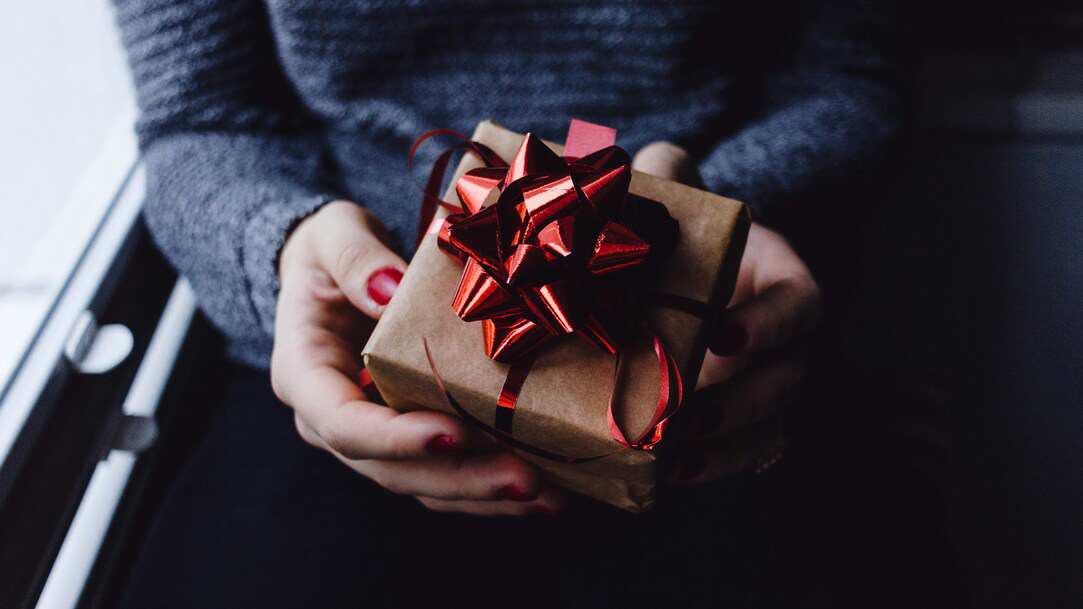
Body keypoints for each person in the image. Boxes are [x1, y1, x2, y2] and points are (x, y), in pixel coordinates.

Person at [110, 1, 951, 607]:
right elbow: (200, 117)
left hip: (708, 349)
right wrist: (284, 246)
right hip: (356, 346)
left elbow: (847, 74)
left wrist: (711, 226)